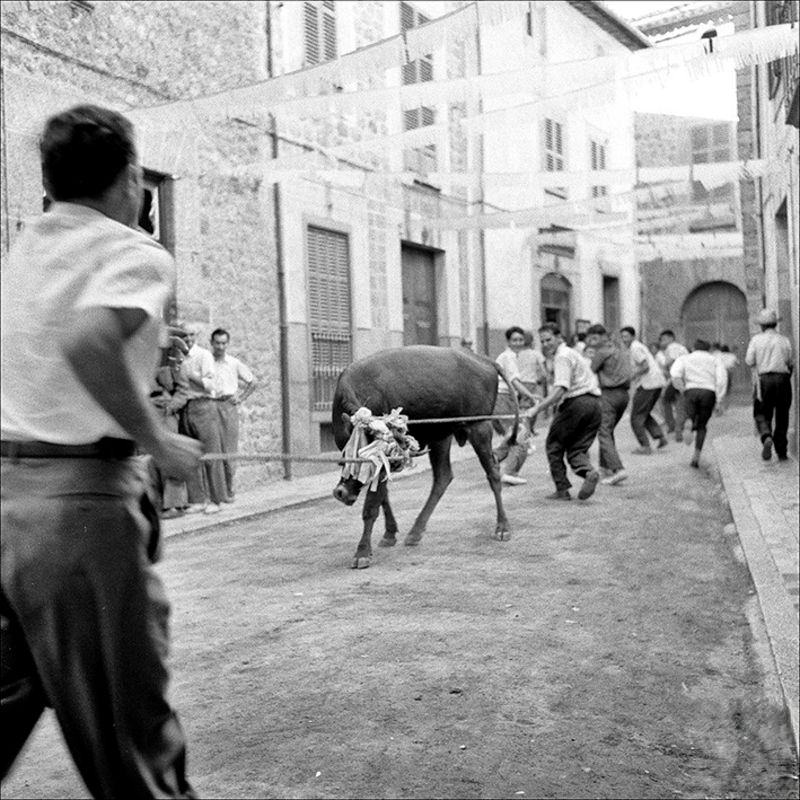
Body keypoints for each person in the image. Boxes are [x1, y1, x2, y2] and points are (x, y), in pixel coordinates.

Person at [0, 104, 202, 797]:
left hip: (5, 499)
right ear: (131, 178)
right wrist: (159, 441)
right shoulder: (131, 249)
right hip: (80, 507)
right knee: (132, 740)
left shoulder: (21, 251)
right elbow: (90, 341)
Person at [528, 323, 602, 501]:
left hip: (575, 404)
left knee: (554, 445)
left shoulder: (562, 356)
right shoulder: (572, 352)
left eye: (549, 339)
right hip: (594, 404)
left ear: (559, 338)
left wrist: (537, 408)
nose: (546, 344)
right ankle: (588, 473)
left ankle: (562, 489)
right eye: (543, 341)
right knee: (577, 448)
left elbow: (561, 389)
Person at [181, 322, 228, 513]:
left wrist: (191, 375)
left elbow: (211, 385)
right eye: (184, 336)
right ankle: (197, 500)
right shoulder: (177, 356)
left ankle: (216, 501)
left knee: (211, 454)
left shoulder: (204, 355)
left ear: (197, 336)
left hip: (203, 405)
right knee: (191, 455)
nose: (188, 339)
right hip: (185, 407)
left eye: (191, 335)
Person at [209, 327, 257, 500]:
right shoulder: (207, 361)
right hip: (210, 405)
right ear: (211, 343)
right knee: (213, 449)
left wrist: (241, 398)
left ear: (227, 344)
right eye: (217, 343)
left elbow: (253, 382)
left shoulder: (234, 363)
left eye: (223, 343)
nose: (220, 347)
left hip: (228, 406)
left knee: (229, 450)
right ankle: (216, 493)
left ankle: (229, 490)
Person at [150, 332, 192, 518]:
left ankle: (175, 504)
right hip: (149, 414)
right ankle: (157, 505)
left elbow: (183, 392)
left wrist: (170, 408)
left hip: (166, 415)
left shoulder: (175, 365)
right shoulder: (143, 364)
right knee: (150, 460)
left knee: (170, 456)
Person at [586, 323, 633, 486]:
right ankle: (605, 467)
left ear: (604, 337)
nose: (592, 341)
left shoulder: (602, 352)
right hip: (624, 395)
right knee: (608, 430)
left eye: (595, 338)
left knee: (603, 432)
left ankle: (618, 469)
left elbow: (589, 370)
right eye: (590, 338)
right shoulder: (621, 349)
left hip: (609, 395)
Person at [493, 326, 540, 486]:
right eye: (514, 340)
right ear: (508, 342)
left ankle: (493, 460)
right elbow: (514, 381)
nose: (518, 343)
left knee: (513, 435)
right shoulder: (509, 356)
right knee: (522, 435)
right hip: (503, 399)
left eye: (520, 340)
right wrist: (531, 395)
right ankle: (510, 472)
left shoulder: (507, 356)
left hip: (503, 399)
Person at [745, 309, 794, 462]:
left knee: (761, 413)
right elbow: (790, 362)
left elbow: (749, 360)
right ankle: (782, 451)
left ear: (762, 326)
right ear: (775, 324)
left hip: (764, 380)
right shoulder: (784, 340)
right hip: (783, 379)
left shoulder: (756, 340)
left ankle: (766, 436)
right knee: (782, 415)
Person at [670, 339, 727, 468]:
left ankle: (689, 421)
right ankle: (696, 456)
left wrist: (681, 388)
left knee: (690, 415)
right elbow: (722, 379)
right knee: (702, 425)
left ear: (694, 348)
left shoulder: (685, 358)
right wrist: (719, 400)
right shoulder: (714, 359)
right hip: (708, 392)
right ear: (708, 349)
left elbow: (674, 373)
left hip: (691, 390)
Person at [620, 325, 668, 455]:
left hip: (648, 384)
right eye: (622, 337)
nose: (624, 339)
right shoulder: (637, 346)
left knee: (636, 416)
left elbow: (645, 366)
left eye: (626, 336)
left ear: (633, 336)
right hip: (655, 383)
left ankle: (645, 446)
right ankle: (660, 437)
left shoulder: (635, 348)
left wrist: (632, 376)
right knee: (644, 413)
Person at [655, 329, 689, 437]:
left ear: (671, 338)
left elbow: (671, 362)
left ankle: (673, 425)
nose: (663, 342)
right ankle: (678, 425)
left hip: (676, 378)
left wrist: (663, 363)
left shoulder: (672, 347)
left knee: (665, 399)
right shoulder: (681, 347)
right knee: (679, 402)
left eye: (664, 339)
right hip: (684, 377)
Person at [516, 329, 548, 444]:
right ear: (532, 342)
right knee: (532, 407)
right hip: (530, 383)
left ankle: (525, 430)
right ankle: (528, 431)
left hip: (517, 383)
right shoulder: (536, 354)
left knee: (520, 407)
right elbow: (544, 372)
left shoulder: (517, 354)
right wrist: (540, 380)